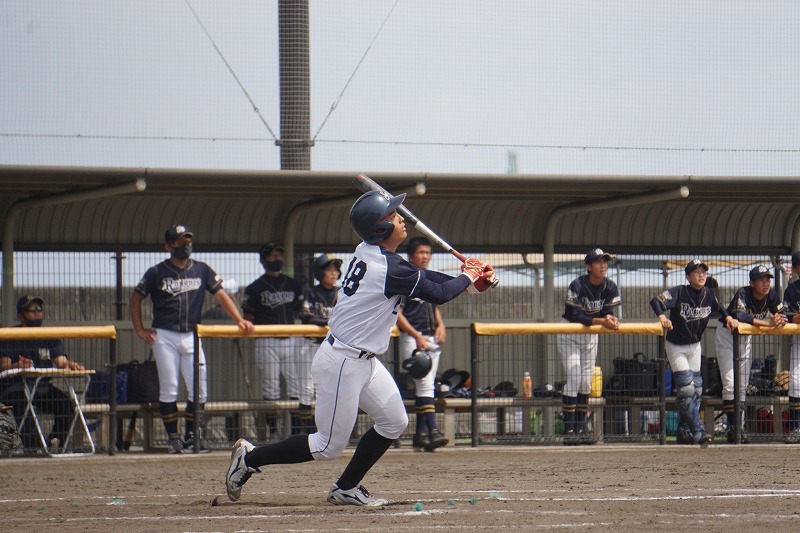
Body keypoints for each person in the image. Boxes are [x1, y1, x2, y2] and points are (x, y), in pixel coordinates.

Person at [225, 189, 496, 506]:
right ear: (381, 230)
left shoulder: (370, 252)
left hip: (363, 360)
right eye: (394, 216)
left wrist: (471, 280)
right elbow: (438, 292)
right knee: (328, 446)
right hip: (342, 361)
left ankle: (345, 487)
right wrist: (467, 275)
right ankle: (251, 457)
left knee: (395, 421)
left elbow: (425, 278)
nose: (401, 218)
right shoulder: (387, 268)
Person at [130, 224, 254, 454]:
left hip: (191, 335)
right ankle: (174, 439)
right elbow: (136, 298)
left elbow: (221, 295)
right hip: (164, 334)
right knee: (170, 387)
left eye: (187, 240)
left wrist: (239, 319)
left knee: (199, 389)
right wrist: (139, 330)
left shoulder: (201, 269)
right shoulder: (156, 272)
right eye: (180, 241)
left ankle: (191, 437)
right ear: (168, 246)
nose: (185, 245)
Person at [651, 259, 737, 446]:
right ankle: (698, 431)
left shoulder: (708, 293)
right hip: (676, 346)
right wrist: (662, 316)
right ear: (688, 276)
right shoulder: (680, 291)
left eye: (703, 271)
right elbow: (656, 301)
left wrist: (729, 317)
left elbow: (720, 308)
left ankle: (683, 431)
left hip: (695, 346)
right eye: (696, 272)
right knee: (686, 389)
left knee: (696, 390)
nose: (701, 275)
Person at [0, 295, 85, 452]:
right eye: (31, 310)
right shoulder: (9, 335)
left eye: (39, 309)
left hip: (41, 387)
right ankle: (34, 447)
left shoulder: (48, 335)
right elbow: (3, 366)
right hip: (15, 387)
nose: (37, 312)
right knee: (19, 404)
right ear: (20, 315)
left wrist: (70, 364)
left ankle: (55, 442)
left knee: (67, 405)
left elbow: (61, 362)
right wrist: (17, 365)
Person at [243, 242, 311, 437]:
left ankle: (297, 432)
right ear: (264, 260)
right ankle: (273, 432)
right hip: (266, 340)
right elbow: (248, 316)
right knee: (271, 386)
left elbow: (302, 311)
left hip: (291, 339)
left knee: (296, 385)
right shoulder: (254, 287)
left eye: (279, 255)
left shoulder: (292, 284)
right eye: (272, 256)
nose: (277, 259)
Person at [715, 265, 786, 444]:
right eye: (761, 280)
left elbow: (782, 312)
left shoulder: (771, 295)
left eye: (768, 279)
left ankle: (738, 430)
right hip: (727, 337)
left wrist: (779, 318)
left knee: (742, 386)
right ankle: (734, 428)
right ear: (752, 283)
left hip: (745, 339)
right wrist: (767, 323)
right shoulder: (744, 293)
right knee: (731, 384)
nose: (766, 283)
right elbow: (739, 315)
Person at [557, 248, 621, 445]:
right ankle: (568, 431)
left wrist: (609, 318)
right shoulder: (577, 285)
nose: (603, 265)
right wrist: (603, 321)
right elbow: (576, 316)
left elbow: (608, 310)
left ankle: (580, 429)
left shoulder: (610, 286)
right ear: (588, 266)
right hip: (570, 332)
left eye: (605, 261)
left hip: (591, 335)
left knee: (586, 382)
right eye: (598, 262)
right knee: (575, 377)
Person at [396, 236, 449, 451]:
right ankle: (434, 431)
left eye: (428, 252)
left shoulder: (427, 278)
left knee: (425, 387)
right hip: (413, 338)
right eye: (421, 252)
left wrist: (441, 325)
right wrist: (416, 336)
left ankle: (420, 435)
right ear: (411, 256)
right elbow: (397, 314)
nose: (425, 256)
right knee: (426, 385)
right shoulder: (404, 277)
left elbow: (434, 305)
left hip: (430, 336)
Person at [297, 252, 344, 433]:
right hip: (311, 345)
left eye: (336, 270)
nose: (333, 273)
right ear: (319, 273)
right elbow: (305, 315)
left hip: (334, 348)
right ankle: (306, 431)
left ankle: (329, 430)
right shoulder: (312, 292)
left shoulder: (342, 294)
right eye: (329, 270)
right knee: (307, 388)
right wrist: (327, 322)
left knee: (331, 388)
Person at [783, 252, 800, 444]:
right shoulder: (792, 291)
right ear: (795, 268)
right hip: (799, 340)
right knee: (796, 382)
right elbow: (788, 316)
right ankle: (797, 427)